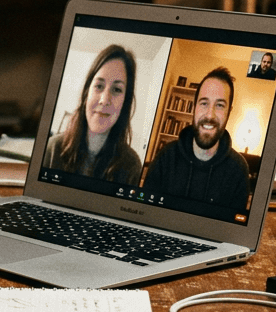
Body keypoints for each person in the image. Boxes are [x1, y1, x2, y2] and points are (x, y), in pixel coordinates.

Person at [141, 67, 250, 211]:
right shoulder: (166, 157)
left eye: (219, 105)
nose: (209, 115)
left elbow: (232, 230)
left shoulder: (238, 170)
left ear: (229, 111)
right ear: (194, 107)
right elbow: (145, 213)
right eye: (204, 103)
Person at [43, 45, 143, 186]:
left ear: (125, 103)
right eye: (99, 86)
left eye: (116, 89)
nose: (104, 99)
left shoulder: (131, 165)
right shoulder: (52, 149)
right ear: (86, 94)